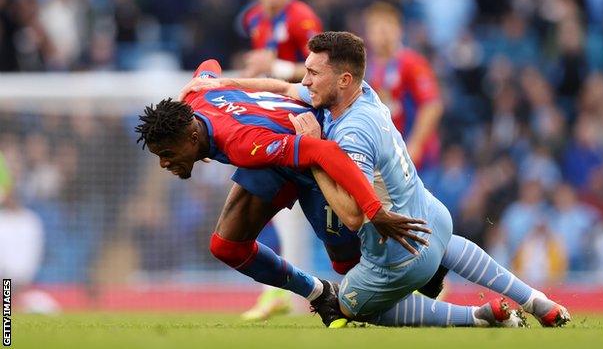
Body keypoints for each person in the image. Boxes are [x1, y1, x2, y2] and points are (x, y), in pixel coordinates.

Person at [180, 32, 571, 328]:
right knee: (448, 245)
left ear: (344, 79)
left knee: (346, 306)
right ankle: (540, 303)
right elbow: (283, 87)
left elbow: (351, 215)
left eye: (314, 73)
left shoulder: (351, 135)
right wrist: (225, 86)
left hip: (399, 253)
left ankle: (478, 317)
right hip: (433, 219)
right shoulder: (362, 95)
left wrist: (312, 150)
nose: (308, 80)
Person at [136, 59, 431, 324]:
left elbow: (322, 151)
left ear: (192, 136)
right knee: (226, 246)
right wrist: (185, 94)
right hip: (277, 154)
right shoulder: (196, 97)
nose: (164, 162)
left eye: (167, 152)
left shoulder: (242, 142)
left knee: (348, 264)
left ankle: (430, 268)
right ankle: (319, 294)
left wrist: (374, 210)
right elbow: (208, 65)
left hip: (313, 146)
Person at [237, 0, 324, 319]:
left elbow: (323, 66)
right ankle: (277, 292)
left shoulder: (301, 17)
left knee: (305, 204)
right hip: (275, 119)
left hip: (305, 117)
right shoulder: (256, 18)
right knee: (277, 206)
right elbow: (265, 64)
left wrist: (278, 68)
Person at [363, 2, 443, 170]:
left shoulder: (412, 63)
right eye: (377, 28)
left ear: (399, 30)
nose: (383, 33)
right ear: (368, 34)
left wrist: (415, 145)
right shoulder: (365, 67)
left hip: (416, 160)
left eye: (388, 26)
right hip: (384, 158)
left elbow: (432, 105)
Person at [238, 0, 322, 81]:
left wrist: (276, 68)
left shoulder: (302, 18)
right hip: (270, 83)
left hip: (299, 86)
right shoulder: (252, 16)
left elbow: (320, 68)